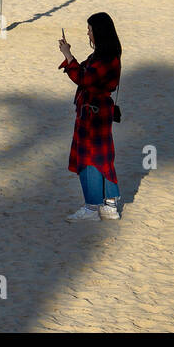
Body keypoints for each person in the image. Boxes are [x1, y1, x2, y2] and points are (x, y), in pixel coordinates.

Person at [58, 12, 122, 222]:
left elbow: (83, 78)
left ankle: (93, 207)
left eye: (90, 29)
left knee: (90, 158)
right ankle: (109, 206)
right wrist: (70, 56)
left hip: (93, 112)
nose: (88, 33)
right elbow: (83, 71)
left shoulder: (106, 58)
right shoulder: (105, 55)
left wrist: (68, 56)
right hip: (97, 110)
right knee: (102, 156)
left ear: (99, 32)